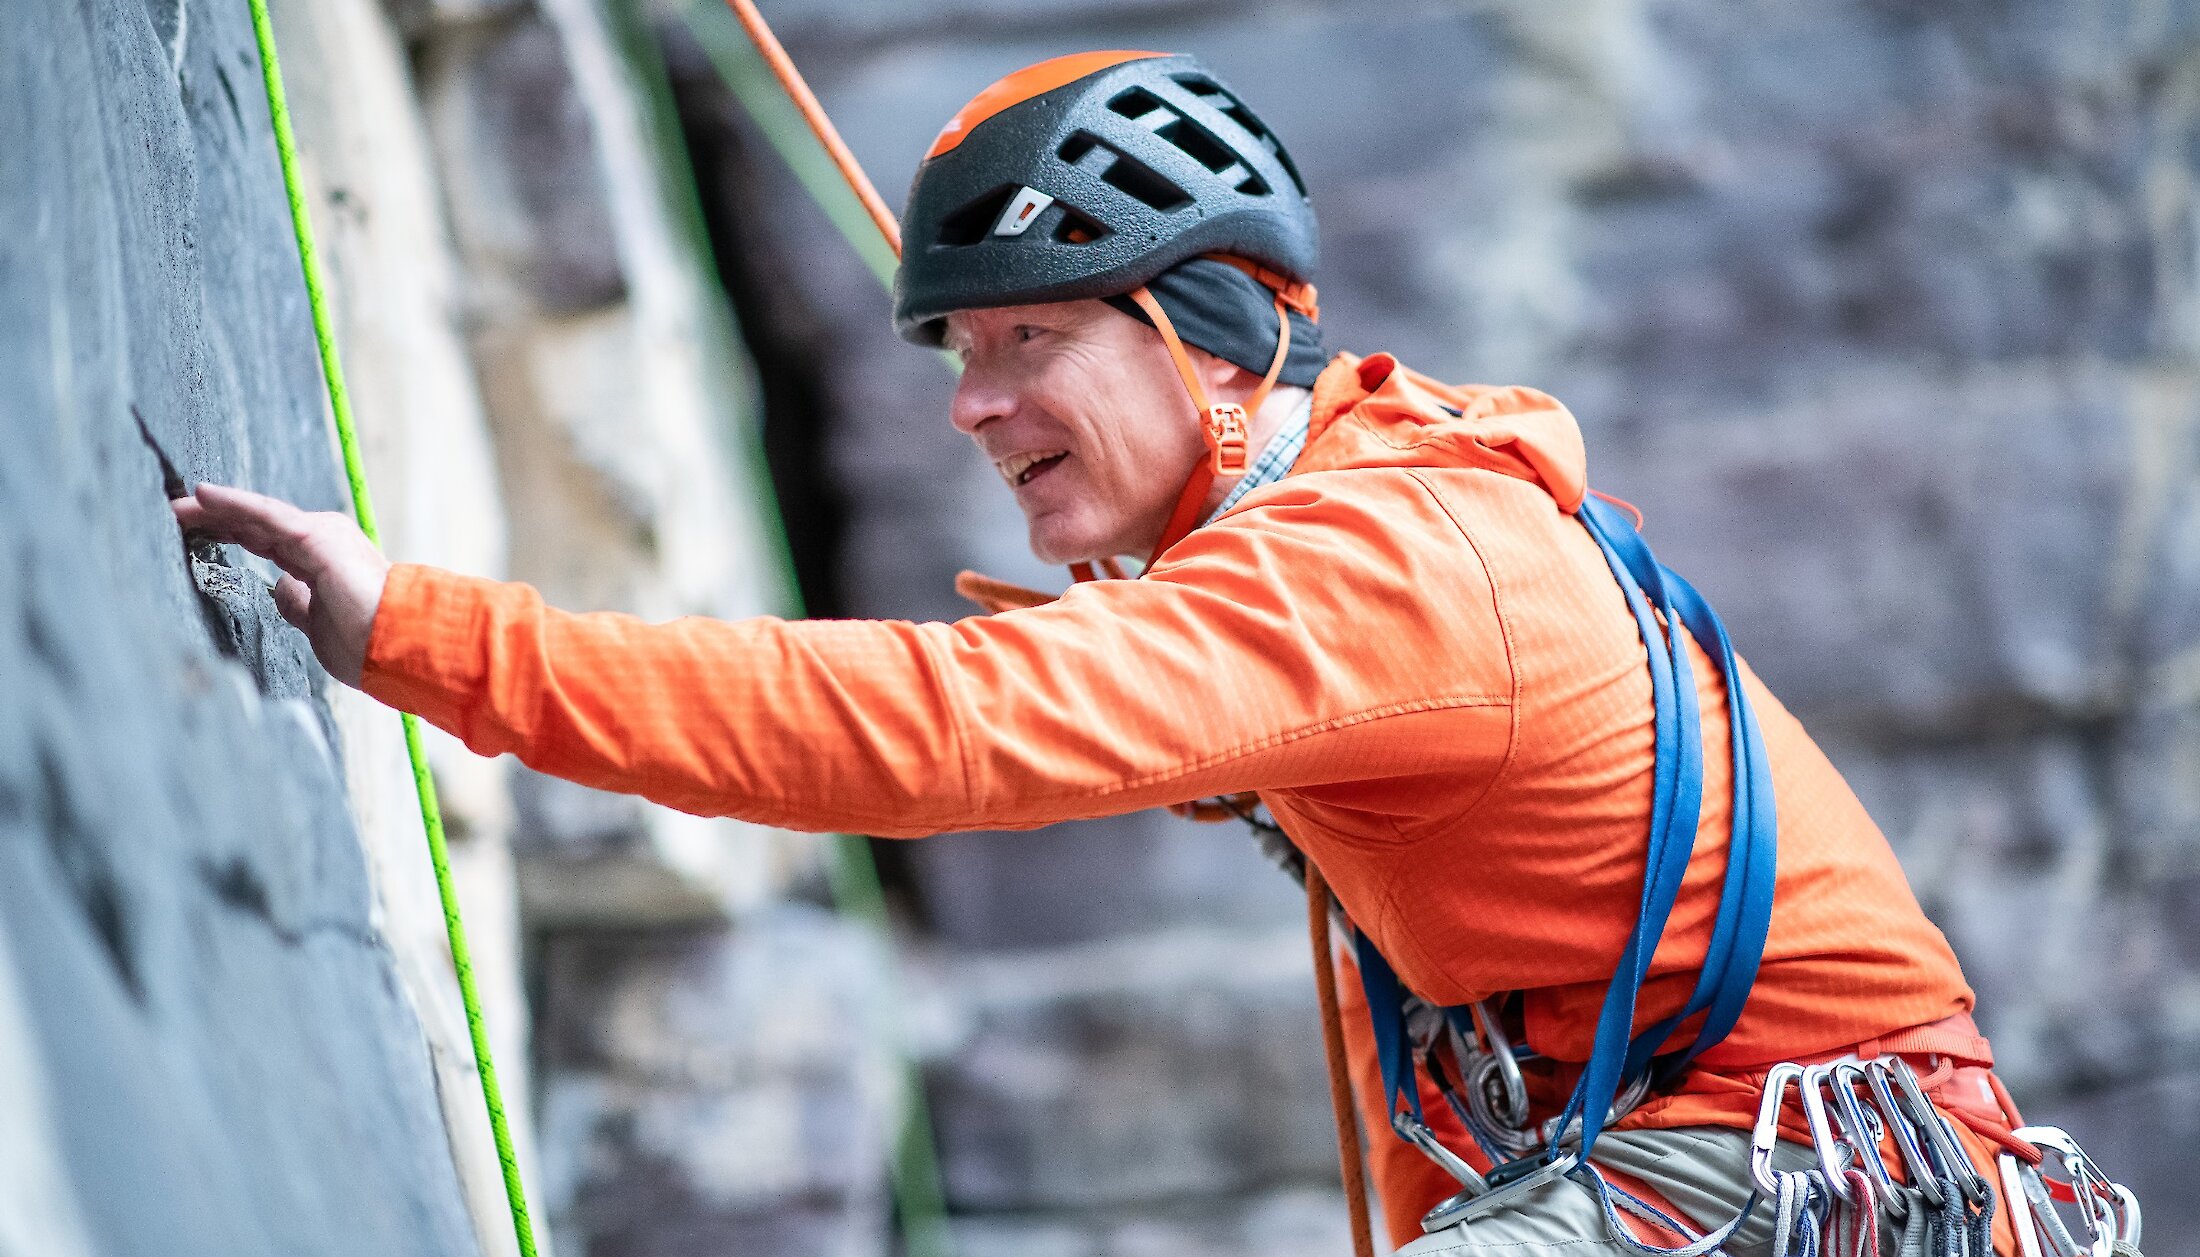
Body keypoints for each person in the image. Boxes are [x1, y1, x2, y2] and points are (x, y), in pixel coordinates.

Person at [176, 51, 2094, 1257]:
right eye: (959, 353)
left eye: (1030, 339)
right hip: (1730, 1175)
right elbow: (1412, 1019)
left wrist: (423, 633)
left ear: (1208, 338)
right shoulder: (1361, 517)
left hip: (1814, 1188)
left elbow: (942, 729)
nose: (973, 403)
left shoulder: (1381, 566)